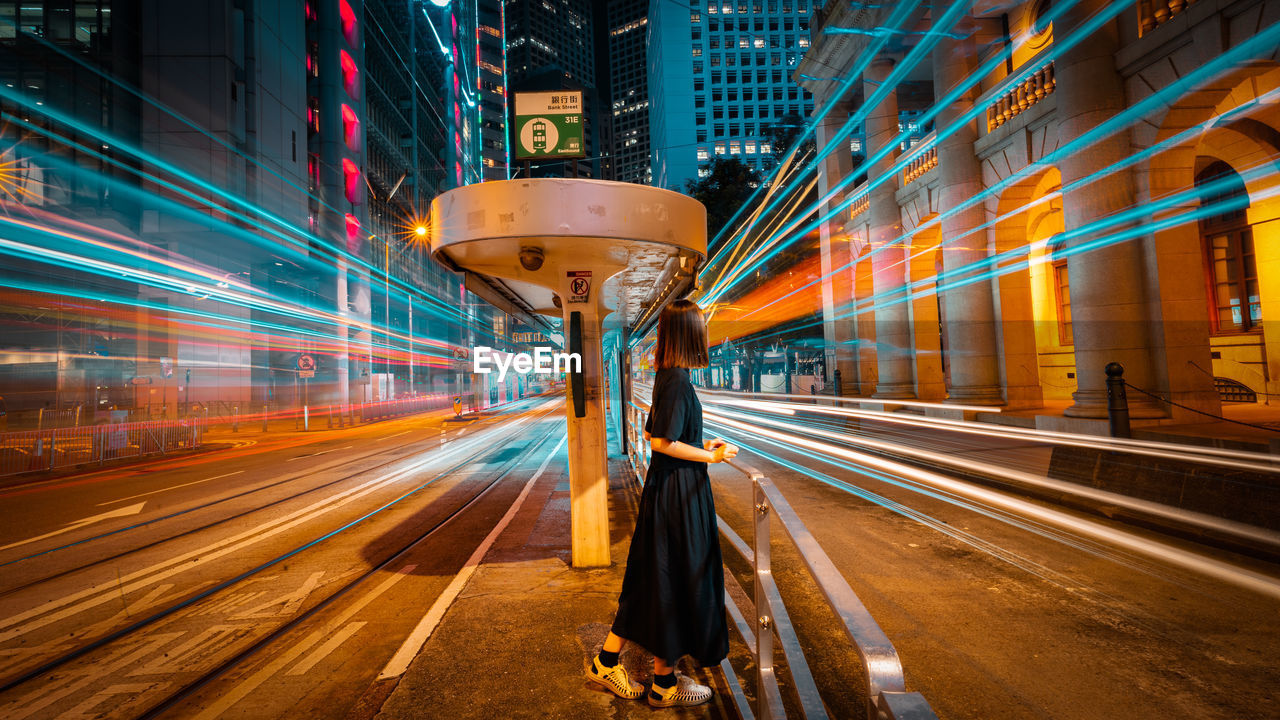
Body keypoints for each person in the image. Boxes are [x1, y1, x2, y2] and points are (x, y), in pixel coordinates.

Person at [585, 299, 740, 708]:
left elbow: (667, 434)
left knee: (659, 580)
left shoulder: (670, 376)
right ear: (692, 332)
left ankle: (652, 677)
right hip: (676, 496)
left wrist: (700, 444)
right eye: (701, 325)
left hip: (668, 490)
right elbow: (660, 442)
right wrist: (711, 456)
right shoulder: (676, 381)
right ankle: (659, 682)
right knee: (674, 580)